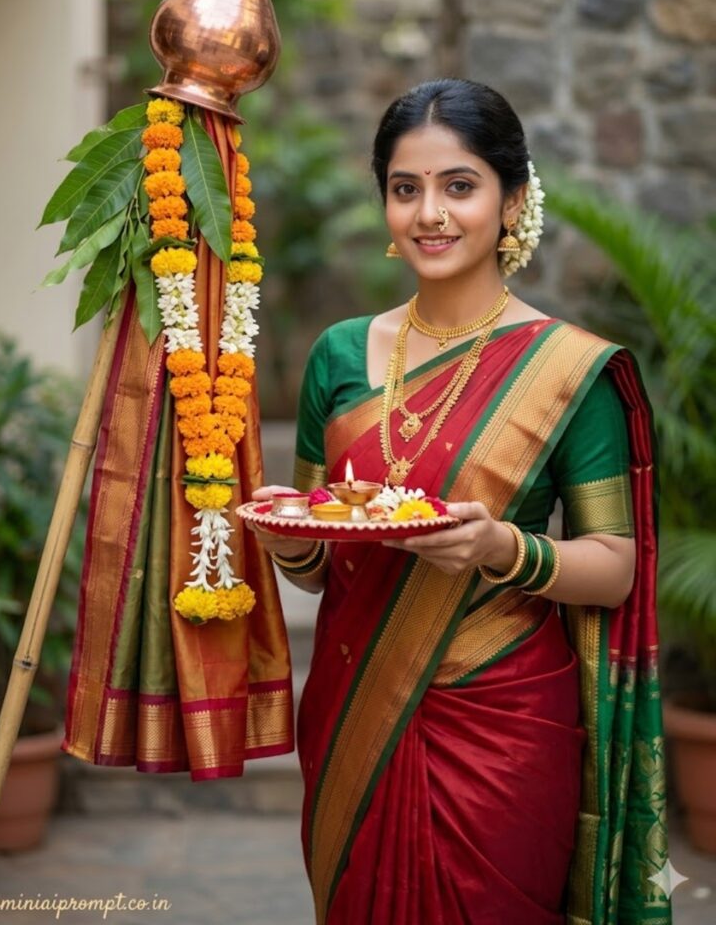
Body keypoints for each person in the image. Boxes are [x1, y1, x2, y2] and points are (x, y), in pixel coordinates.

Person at [246, 79, 670, 924]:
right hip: (353, 703)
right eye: (407, 189)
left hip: (505, 719)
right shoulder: (338, 357)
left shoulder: (567, 371)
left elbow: (615, 568)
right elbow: (321, 559)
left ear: (512, 202)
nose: (430, 213)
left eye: (460, 186)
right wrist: (286, 540)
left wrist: (504, 550)